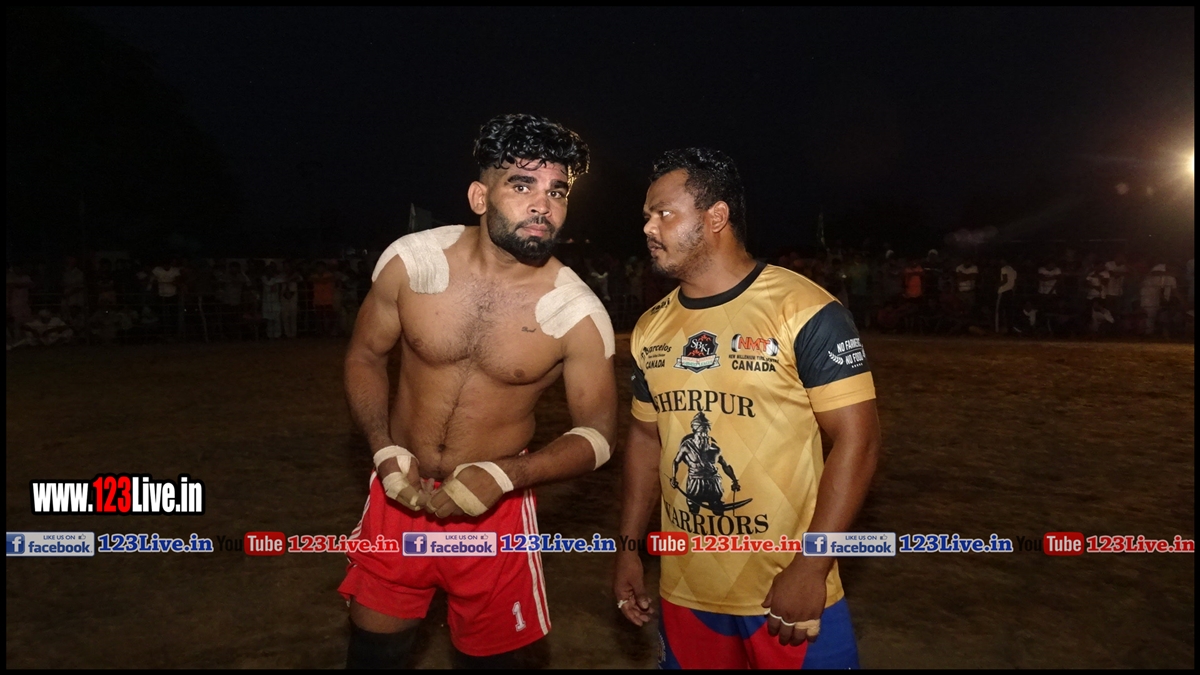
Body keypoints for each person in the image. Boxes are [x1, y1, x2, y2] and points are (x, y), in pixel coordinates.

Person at [339, 113, 617, 669]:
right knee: (373, 656)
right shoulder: (412, 263)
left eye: (556, 191)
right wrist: (382, 447)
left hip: (497, 513)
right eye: (522, 185)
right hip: (400, 495)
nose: (543, 205)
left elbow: (600, 436)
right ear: (479, 196)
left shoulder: (575, 312)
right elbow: (365, 356)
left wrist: (506, 475)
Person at [615, 148, 880, 669]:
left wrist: (811, 567)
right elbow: (646, 439)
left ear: (716, 217)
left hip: (784, 592)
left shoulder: (805, 310)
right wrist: (628, 546)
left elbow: (859, 441)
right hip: (686, 590)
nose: (648, 227)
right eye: (646, 215)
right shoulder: (650, 327)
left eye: (663, 213)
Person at [310, 261, 337, 336]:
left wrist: (319, 280)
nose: (320, 269)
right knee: (319, 317)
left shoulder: (329, 275)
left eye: (321, 267)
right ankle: (321, 332)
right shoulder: (314, 276)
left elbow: (327, 280)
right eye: (318, 267)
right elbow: (312, 280)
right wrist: (323, 280)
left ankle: (329, 332)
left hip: (329, 300)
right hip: (318, 300)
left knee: (330, 317)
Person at [261, 262, 284, 339]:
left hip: (275, 301)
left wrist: (275, 278)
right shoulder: (264, 278)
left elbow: (282, 279)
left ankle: (277, 335)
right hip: (267, 301)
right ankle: (270, 335)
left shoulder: (276, 277)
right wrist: (275, 279)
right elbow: (269, 283)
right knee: (269, 320)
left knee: (277, 319)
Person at [995, 258, 1017, 334]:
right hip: (1010, 291)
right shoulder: (1013, 270)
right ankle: (1009, 328)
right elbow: (1015, 283)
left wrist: (997, 286)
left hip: (1003, 291)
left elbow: (1005, 280)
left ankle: (998, 329)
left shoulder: (1004, 268)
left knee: (999, 311)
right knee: (1009, 311)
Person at [280, 261, 301, 339]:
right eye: (285, 266)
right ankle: (287, 334)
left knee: (293, 315)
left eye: (288, 266)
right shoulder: (281, 275)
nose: (286, 268)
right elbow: (279, 280)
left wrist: (290, 279)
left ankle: (293, 334)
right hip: (284, 297)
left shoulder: (296, 275)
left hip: (293, 296)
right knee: (285, 316)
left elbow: (300, 279)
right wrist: (290, 279)